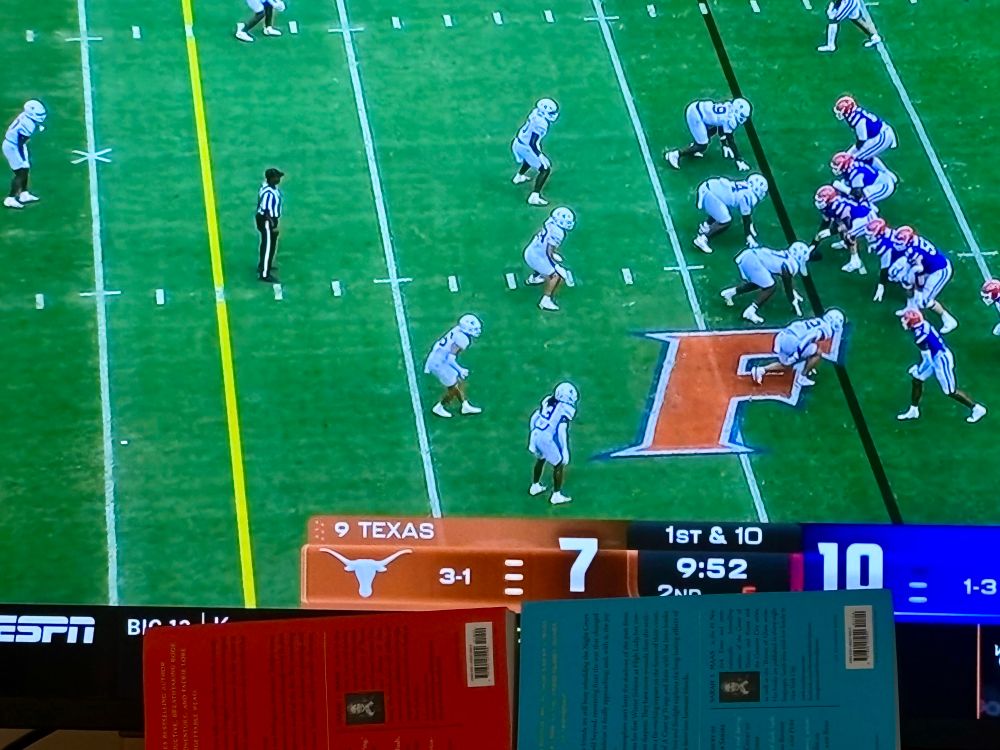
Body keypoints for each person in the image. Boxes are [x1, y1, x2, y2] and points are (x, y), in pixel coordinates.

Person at [897, 310, 986, 423]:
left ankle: (977, 408)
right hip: (936, 355)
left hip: (941, 359)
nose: (903, 322)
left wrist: (918, 369)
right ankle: (914, 410)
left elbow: (927, 360)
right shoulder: (922, 325)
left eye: (906, 320)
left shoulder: (920, 336)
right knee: (917, 380)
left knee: (950, 391)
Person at [751, 309, 845, 388]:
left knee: (786, 365)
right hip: (792, 342)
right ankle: (802, 377)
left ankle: (760, 370)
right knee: (818, 352)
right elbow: (809, 337)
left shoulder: (818, 321)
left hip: (783, 336)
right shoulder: (827, 329)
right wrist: (796, 354)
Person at [721, 242, 810, 324]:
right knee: (771, 287)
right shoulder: (790, 265)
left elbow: (788, 281)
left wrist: (793, 292)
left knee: (761, 282)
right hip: (753, 260)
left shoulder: (786, 256)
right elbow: (787, 286)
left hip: (749, 255)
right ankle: (750, 311)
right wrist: (793, 302)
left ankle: (730, 293)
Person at [663, 98, 752, 170]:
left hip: (698, 109)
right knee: (702, 145)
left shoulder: (729, 107)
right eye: (742, 115)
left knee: (712, 131)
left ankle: (693, 147)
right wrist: (739, 160)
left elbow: (720, 125)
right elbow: (731, 139)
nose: (743, 118)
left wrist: (724, 145)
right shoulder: (730, 119)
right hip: (696, 115)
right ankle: (675, 154)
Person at [528, 382, 578, 506]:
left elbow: (535, 416)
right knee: (559, 464)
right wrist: (565, 450)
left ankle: (535, 486)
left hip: (536, 433)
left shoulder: (547, 400)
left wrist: (531, 438)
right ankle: (556, 495)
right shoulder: (566, 409)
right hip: (545, 438)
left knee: (541, 458)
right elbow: (561, 431)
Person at [424, 314, 483, 418]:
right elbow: (450, 359)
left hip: (439, 358)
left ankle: (465, 406)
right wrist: (460, 370)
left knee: (458, 382)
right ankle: (439, 407)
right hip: (439, 363)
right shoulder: (463, 339)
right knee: (452, 388)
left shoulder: (458, 330)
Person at [693, 174, 768, 254]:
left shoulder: (745, 186)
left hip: (709, 186)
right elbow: (746, 218)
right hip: (710, 194)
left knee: (721, 208)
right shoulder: (748, 196)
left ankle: (706, 226)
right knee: (726, 220)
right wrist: (749, 236)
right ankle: (702, 239)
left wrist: (750, 226)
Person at [523, 207, 575, 311]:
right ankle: (545, 301)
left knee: (544, 266)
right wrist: (556, 265)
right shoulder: (559, 233)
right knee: (555, 276)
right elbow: (549, 252)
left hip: (531, 250)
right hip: (537, 257)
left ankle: (534, 278)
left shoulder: (550, 221)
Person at [512, 99, 559, 206]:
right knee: (545, 169)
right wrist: (540, 155)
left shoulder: (535, 112)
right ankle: (534, 196)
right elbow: (533, 143)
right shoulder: (541, 123)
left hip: (518, 142)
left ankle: (519, 177)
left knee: (529, 160)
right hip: (526, 146)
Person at [4, 100, 47, 210]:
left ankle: (24, 194)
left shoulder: (26, 117)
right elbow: (20, 142)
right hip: (13, 147)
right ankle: (10, 198)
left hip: (15, 144)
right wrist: (22, 157)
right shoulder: (28, 125)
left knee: (25, 169)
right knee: (21, 172)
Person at [833, 96, 897, 161]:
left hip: (881, 137)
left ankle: (878, 170)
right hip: (878, 133)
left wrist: (851, 153)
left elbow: (862, 141)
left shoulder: (858, 121)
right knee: (853, 156)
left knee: (856, 159)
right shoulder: (855, 113)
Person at [830, 151, 897, 205]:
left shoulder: (856, 175)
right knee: (846, 184)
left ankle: (871, 211)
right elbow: (873, 159)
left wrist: (842, 187)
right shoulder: (855, 161)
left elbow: (858, 195)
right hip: (881, 177)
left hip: (883, 186)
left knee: (857, 201)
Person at [256, 168, 283, 283]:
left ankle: (264, 264)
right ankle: (264, 273)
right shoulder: (268, 193)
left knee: (269, 244)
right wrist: (273, 225)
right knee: (267, 245)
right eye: (277, 177)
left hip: (269, 219)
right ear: (271, 179)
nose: (279, 179)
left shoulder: (269, 188)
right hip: (267, 220)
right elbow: (266, 211)